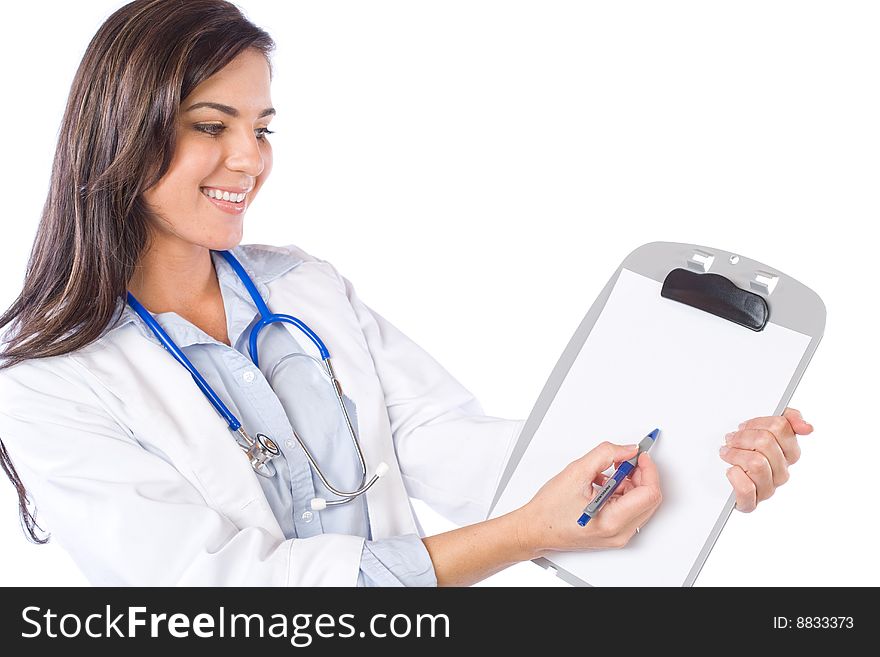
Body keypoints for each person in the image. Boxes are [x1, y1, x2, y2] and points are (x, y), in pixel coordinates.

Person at [0, 0, 813, 587]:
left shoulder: (301, 287)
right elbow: (229, 597)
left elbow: (448, 442)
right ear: (120, 131)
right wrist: (521, 533)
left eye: (263, 128)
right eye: (212, 126)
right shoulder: (47, 383)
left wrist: (690, 464)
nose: (250, 160)